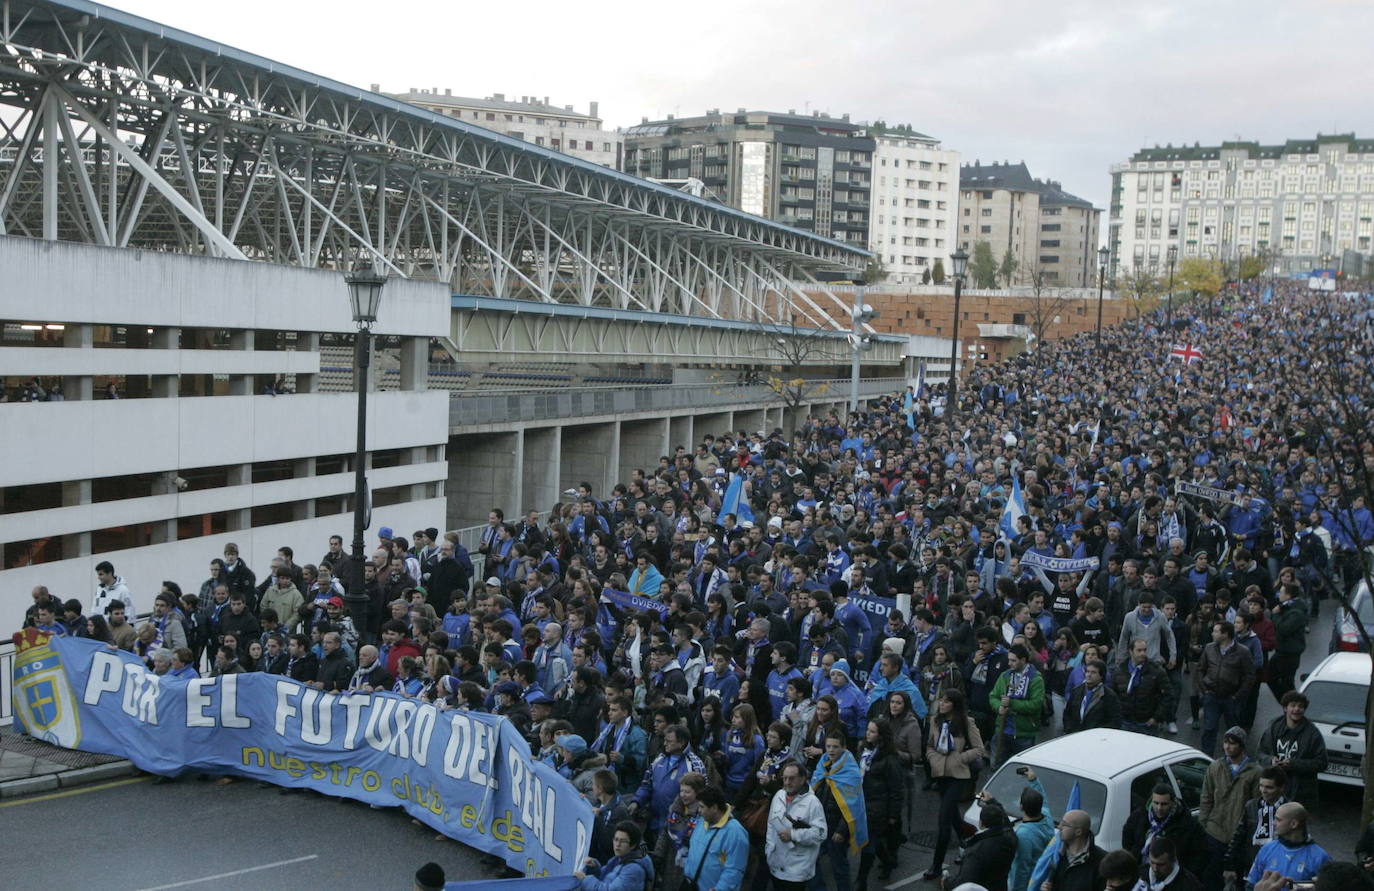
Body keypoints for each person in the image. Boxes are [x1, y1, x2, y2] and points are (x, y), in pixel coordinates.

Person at [923, 689, 984, 881]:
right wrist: (933, 759)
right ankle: (967, 840)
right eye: (942, 700)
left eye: (947, 701)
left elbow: (979, 748)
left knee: (944, 819)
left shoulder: (966, 722)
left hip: (958, 775)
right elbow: (930, 746)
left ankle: (936, 865)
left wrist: (961, 758)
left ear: (955, 705)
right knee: (953, 815)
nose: (942, 704)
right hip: (940, 774)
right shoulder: (935, 720)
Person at [1199, 726, 1262, 886]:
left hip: (1239, 838)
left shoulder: (1255, 772)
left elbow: (1256, 806)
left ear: (1242, 746)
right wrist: (1205, 824)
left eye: (1232, 743)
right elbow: (1206, 798)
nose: (1227, 746)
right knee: (1211, 880)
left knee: (1238, 881)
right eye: (1225, 742)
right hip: (1215, 833)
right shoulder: (1215, 767)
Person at [810, 730, 867, 891]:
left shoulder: (851, 771)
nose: (831, 750)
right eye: (828, 746)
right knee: (811, 860)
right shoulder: (823, 763)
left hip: (837, 826)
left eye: (835, 746)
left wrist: (842, 831)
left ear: (844, 747)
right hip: (820, 822)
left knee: (839, 867)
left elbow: (853, 805)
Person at [632, 724, 708, 843]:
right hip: (654, 823)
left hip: (679, 828)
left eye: (669, 741)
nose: (664, 744)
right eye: (665, 740)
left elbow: (702, 797)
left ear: (681, 742)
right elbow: (646, 784)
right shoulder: (659, 760)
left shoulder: (694, 764)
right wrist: (636, 801)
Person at [1120, 783, 1208, 881]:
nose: (1159, 808)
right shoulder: (1140, 816)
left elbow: (1200, 854)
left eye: (1164, 804)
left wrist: (1184, 875)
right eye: (1156, 803)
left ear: (1173, 803)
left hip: (1173, 878)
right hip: (1141, 872)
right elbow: (1127, 835)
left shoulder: (1188, 824)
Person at [1256, 690, 1327, 807]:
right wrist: (1271, 760)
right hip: (1273, 791)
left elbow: (1322, 763)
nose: (1297, 709)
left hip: (1300, 792)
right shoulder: (1273, 728)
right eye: (1293, 705)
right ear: (1285, 708)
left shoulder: (1312, 733)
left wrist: (1294, 764)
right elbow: (1260, 753)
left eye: (1300, 706)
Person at [1197, 620, 1256, 757]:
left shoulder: (1243, 652)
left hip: (1231, 697)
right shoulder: (1209, 648)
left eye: (1216, 631)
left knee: (1233, 732)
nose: (1213, 633)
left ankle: (1234, 760)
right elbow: (1201, 669)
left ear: (1226, 634)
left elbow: (1249, 676)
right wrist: (1204, 690)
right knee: (1209, 729)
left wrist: (1238, 696)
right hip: (1211, 695)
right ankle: (1206, 760)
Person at [765, 760, 826, 891]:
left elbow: (820, 834)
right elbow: (770, 825)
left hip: (797, 871)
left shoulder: (813, 803)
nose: (787, 782)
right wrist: (769, 850)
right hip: (776, 867)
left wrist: (793, 835)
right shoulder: (778, 796)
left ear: (803, 779)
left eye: (792, 779)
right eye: (785, 778)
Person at [856, 719, 904, 886]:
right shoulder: (863, 750)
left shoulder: (890, 759)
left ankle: (861, 881)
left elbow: (896, 789)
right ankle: (888, 860)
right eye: (868, 730)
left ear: (881, 736)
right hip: (862, 802)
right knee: (872, 841)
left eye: (873, 731)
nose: (868, 733)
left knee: (868, 843)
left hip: (878, 807)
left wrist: (893, 815)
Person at [1224, 766, 1289, 886]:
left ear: (1281, 788)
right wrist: (1229, 865)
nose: (1263, 790)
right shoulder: (1252, 806)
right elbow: (1238, 837)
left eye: (1269, 787)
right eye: (1261, 786)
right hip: (1252, 866)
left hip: (1279, 869)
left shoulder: (1290, 810)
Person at [1244, 803, 1331, 889]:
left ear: (1293, 824)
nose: (1273, 823)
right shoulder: (1267, 848)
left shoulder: (1320, 857)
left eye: (1278, 820)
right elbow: (1251, 885)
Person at [681, 786, 749, 891]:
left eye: (702, 807)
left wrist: (720, 889)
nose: (699, 811)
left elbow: (734, 870)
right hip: (689, 885)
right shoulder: (702, 820)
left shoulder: (736, 833)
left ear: (714, 808)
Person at [988, 643, 1045, 764]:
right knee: (996, 767)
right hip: (1002, 731)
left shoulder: (1036, 679)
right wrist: (999, 707)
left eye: (1013, 661)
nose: (1009, 663)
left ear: (1023, 660)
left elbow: (1035, 705)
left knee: (1022, 770)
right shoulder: (1005, 676)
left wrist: (1012, 703)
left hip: (1024, 733)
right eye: (1009, 660)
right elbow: (993, 696)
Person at [944, 799, 1016, 891]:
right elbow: (1008, 826)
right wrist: (993, 801)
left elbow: (964, 883)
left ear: (981, 823)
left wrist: (947, 882)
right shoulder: (1009, 839)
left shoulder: (976, 851)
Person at [1113, 638, 1171, 736]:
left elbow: (1168, 696)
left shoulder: (1156, 671)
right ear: (1131, 651)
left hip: (1147, 723)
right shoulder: (1120, 670)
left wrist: (1157, 717)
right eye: (1139, 650)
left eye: (1144, 650)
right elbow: (1114, 695)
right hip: (1125, 723)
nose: (1142, 653)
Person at [1009, 768, 1055, 891]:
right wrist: (1034, 780)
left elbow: (1022, 868)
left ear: (1021, 806)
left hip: (1031, 884)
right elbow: (1042, 798)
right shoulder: (1046, 815)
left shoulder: (1023, 835)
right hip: (1044, 878)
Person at [576, 820, 655, 891]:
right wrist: (594, 867)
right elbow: (606, 878)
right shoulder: (617, 859)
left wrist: (585, 880)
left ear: (633, 845)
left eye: (623, 841)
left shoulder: (634, 870)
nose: (617, 844)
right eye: (616, 839)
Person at [1043, 808, 1107, 891]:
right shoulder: (1057, 855)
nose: (1059, 827)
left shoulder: (1101, 860)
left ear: (1078, 832)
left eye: (1064, 824)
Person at [1063, 659, 1120, 733]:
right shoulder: (1076, 691)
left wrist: (1097, 734)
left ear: (1101, 676)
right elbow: (1067, 714)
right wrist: (1070, 730)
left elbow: (1115, 721)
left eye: (1093, 672)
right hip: (1075, 735)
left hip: (1096, 738)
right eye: (1087, 671)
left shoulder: (1109, 696)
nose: (1089, 675)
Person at [1135, 836, 1203, 891]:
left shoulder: (1190, 885)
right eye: (1152, 862)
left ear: (1173, 860)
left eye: (1161, 865)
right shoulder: (1140, 873)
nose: (1155, 868)